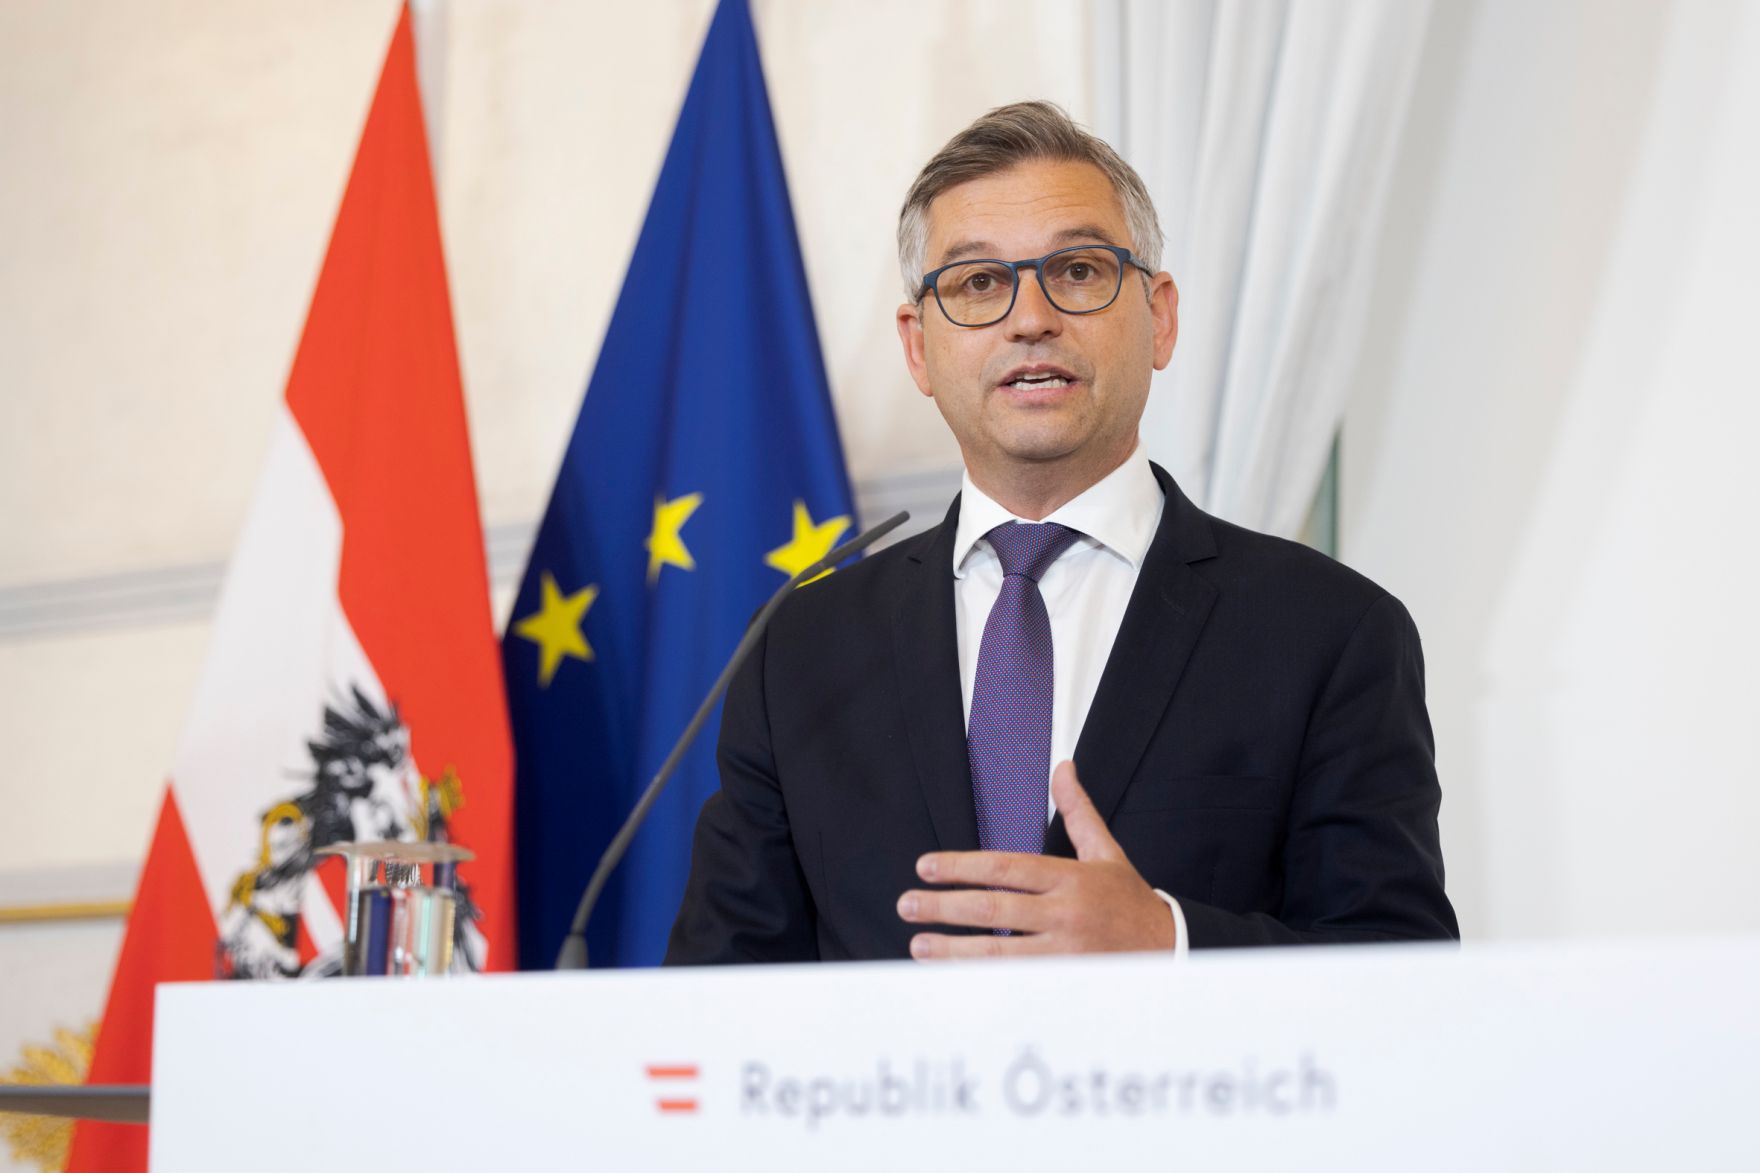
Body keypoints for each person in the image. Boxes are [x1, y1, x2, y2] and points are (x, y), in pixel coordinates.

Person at [665, 101, 1457, 963]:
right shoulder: (799, 650)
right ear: (918, 347)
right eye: (977, 283)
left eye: (1078, 272)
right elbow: (722, 988)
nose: (1031, 317)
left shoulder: (1330, 631)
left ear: (1158, 317)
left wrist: (1171, 939)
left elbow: (1400, 967)